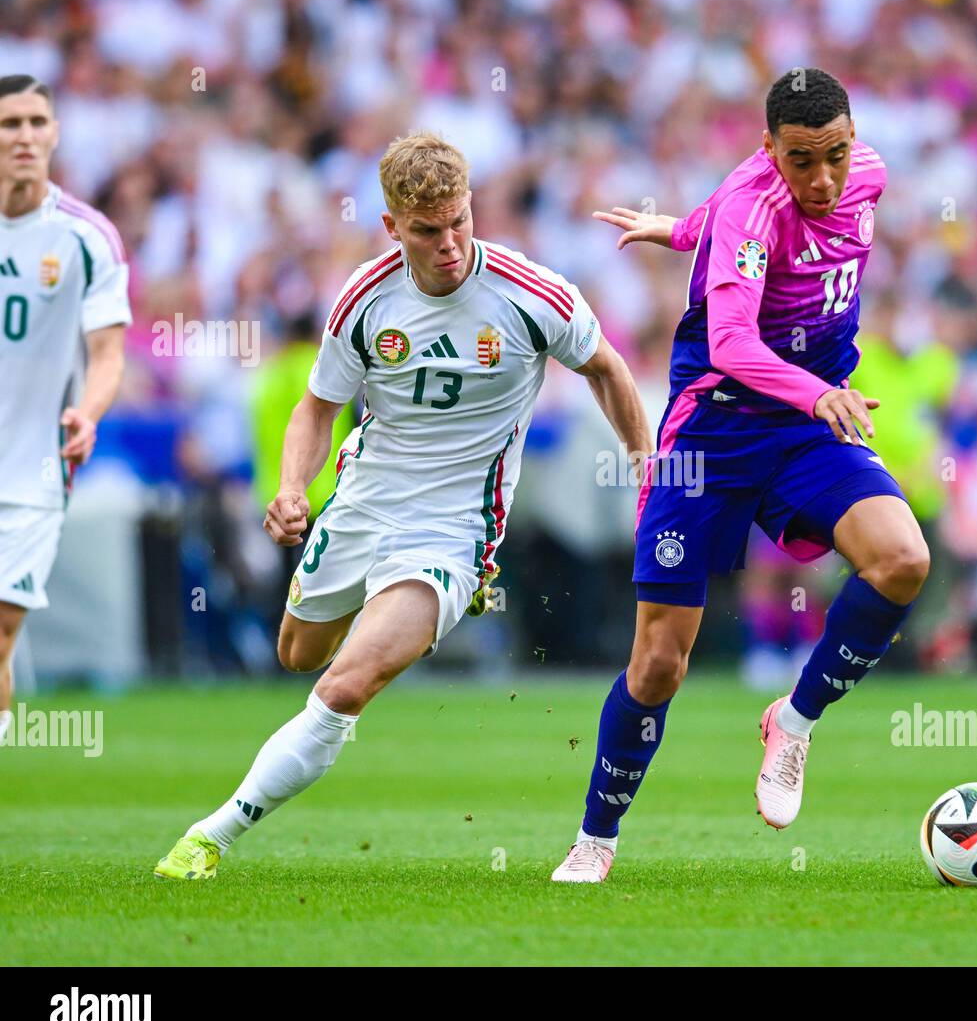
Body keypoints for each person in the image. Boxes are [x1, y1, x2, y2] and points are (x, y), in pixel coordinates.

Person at [154, 131, 651, 879]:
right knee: (300, 653)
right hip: (364, 499)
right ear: (392, 226)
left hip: (454, 525)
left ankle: (211, 835)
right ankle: (401, 604)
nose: (450, 244)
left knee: (343, 685)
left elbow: (606, 368)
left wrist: (644, 465)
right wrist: (294, 488)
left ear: (472, 205)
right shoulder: (364, 297)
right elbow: (317, 408)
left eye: (460, 221)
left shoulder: (533, 294)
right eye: (427, 230)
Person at [551, 69, 929, 883]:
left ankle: (792, 722)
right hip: (713, 436)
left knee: (904, 560)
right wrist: (820, 390)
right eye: (800, 161)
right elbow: (731, 344)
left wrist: (680, 229)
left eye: (835, 153)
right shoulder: (753, 207)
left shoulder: (870, 176)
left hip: (805, 429)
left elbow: (724, 220)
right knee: (659, 662)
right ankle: (596, 838)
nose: (822, 178)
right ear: (769, 150)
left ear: (854, 138)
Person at [0, 75, 129, 745]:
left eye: (34, 122)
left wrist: (89, 410)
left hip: (34, 469)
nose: (23, 136)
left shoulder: (86, 237)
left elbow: (107, 352)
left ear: (53, 132)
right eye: (9, 124)